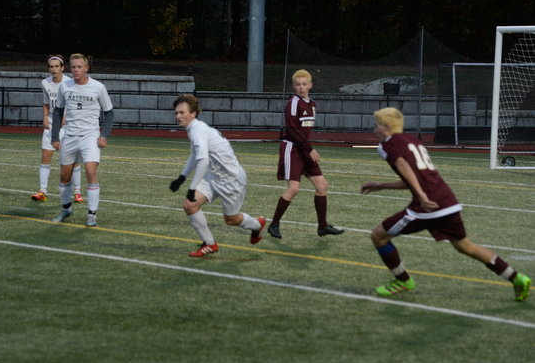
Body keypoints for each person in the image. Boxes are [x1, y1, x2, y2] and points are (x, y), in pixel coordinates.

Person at [361, 107, 531, 301]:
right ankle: (517, 278)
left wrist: (421, 196)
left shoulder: (387, 145)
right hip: (447, 200)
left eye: (376, 125)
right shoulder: (413, 141)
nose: (374, 129)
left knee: (379, 236)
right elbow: (415, 177)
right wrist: (381, 185)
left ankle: (403, 280)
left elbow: (403, 167)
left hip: (427, 206)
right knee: (465, 246)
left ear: (386, 127)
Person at [169, 94, 265, 257]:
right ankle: (210, 244)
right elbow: (195, 155)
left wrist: (192, 188)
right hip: (213, 176)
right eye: (176, 113)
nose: (178, 116)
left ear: (193, 113)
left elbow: (203, 161)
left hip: (231, 180)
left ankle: (256, 225)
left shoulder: (197, 130)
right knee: (190, 205)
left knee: (231, 220)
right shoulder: (194, 128)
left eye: (182, 112)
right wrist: (182, 177)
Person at [267, 69, 344, 239]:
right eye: (297, 85)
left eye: (304, 84)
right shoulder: (293, 103)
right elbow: (292, 130)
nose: (301, 87)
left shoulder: (312, 104)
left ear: (310, 85)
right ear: (293, 87)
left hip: (304, 148)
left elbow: (304, 131)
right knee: (293, 188)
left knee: (322, 186)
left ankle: (322, 226)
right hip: (293, 149)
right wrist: (309, 149)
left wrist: (307, 148)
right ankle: (274, 224)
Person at [50, 53, 114, 226]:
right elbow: (58, 111)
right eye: (73, 67)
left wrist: (104, 135)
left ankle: (92, 214)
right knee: (64, 176)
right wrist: (55, 137)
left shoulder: (98, 87)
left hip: (90, 136)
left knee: (90, 171)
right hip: (70, 135)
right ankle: (66, 209)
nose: (76, 70)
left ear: (86, 68)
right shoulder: (65, 86)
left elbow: (109, 113)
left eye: (79, 67)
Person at [30, 55, 83, 203]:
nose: (54, 69)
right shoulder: (45, 83)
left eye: (56, 66)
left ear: (62, 68)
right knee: (46, 156)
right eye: (51, 67)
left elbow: (75, 104)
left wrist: (66, 118)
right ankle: (42, 191)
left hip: (68, 126)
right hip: (52, 124)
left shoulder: (70, 83)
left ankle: (77, 192)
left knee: (73, 160)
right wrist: (45, 117)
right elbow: (46, 103)